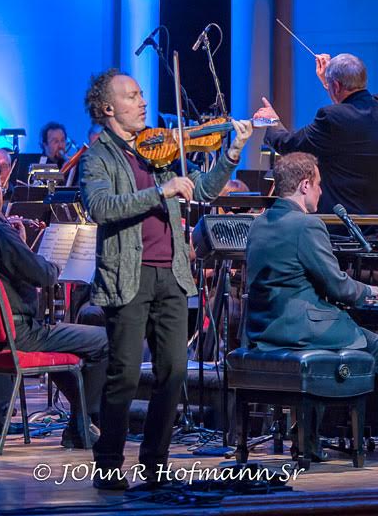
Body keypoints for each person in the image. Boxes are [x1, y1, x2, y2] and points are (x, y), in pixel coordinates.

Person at [79, 68, 252, 489]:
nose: (142, 102)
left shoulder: (155, 151)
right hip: (128, 276)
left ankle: (155, 464)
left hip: (172, 275)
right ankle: (108, 465)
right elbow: (101, 207)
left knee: (174, 371)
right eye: (132, 96)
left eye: (141, 95)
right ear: (108, 109)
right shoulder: (98, 156)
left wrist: (232, 153)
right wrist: (161, 191)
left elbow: (202, 189)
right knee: (123, 375)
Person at [244, 152, 378, 462]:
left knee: (335, 341)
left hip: (263, 328)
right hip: (298, 329)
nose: (322, 192)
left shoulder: (259, 223)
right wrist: (370, 291)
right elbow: (337, 285)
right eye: (319, 185)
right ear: (305, 185)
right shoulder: (306, 225)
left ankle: (310, 441)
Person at [0, 158, 108, 448]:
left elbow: (15, 269)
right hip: (22, 332)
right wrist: (53, 263)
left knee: (64, 347)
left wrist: (22, 243)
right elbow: (43, 275)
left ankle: (80, 422)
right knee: (104, 341)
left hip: (6, 332)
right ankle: (82, 422)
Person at [255, 53, 378, 214]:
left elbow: (289, 144)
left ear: (335, 86)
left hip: (341, 227)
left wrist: (272, 121)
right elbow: (349, 115)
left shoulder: (330, 117)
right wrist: (331, 83)